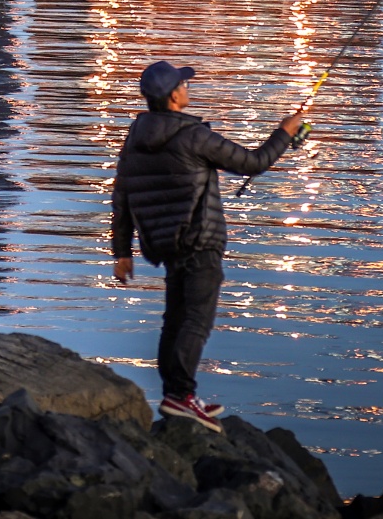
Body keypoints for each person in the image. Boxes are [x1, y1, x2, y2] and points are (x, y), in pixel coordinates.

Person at [111, 60, 309, 433]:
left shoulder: (136, 136)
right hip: (201, 242)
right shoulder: (193, 136)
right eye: (183, 85)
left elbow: (121, 196)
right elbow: (253, 162)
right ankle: (181, 395)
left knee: (175, 319)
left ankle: (176, 396)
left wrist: (122, 252)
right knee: (196, 321)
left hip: (166, 245)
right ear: (173, 97)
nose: (188, 88)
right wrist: (285, 132)